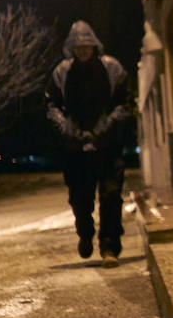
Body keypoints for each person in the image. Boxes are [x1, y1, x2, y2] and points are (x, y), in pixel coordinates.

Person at [46, 20, 130, 268]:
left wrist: (104, 130)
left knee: (111, 197)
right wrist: (70, 132)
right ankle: (85, 233)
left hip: (108, 146)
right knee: (80, 201)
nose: (83, 51)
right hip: (75, 151)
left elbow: (124, 104)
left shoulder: (113, 69)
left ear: (95, 46)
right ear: (71, 48)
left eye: (87, 46)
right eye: (78, 47)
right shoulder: (61, 73)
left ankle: (109, 247)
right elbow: (52, 107)